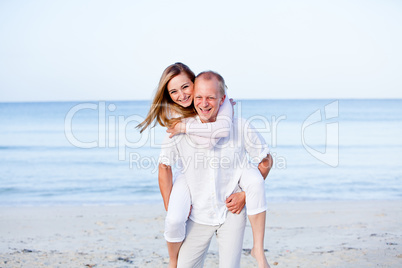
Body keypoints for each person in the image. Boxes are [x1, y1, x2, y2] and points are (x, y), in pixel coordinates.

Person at [137, 63, 272, 267]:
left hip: (231, 212)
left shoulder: (238, 125)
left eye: (209, 97)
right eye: (199, 97)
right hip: (197, 215)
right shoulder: (178, 129)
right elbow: (164, 167)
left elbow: (266, 160)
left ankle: (258, 251)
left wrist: (245, 195)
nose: (202, 102)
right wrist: (172, 208)